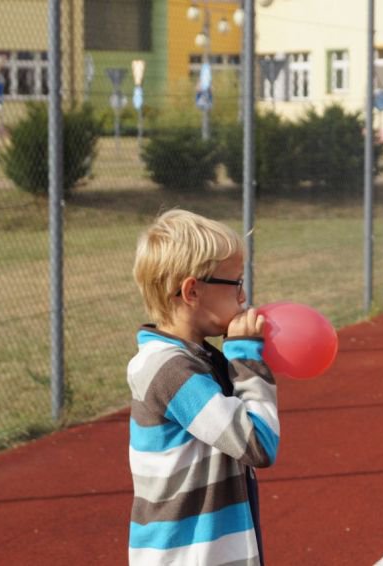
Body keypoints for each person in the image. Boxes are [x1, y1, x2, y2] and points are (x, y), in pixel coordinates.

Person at [128, 209, 279, 565]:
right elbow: (258, 444)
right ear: (192, 290)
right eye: (236, 282)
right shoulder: (169, 369)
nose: (244, 296)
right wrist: (246, 357)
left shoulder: (197, 359)